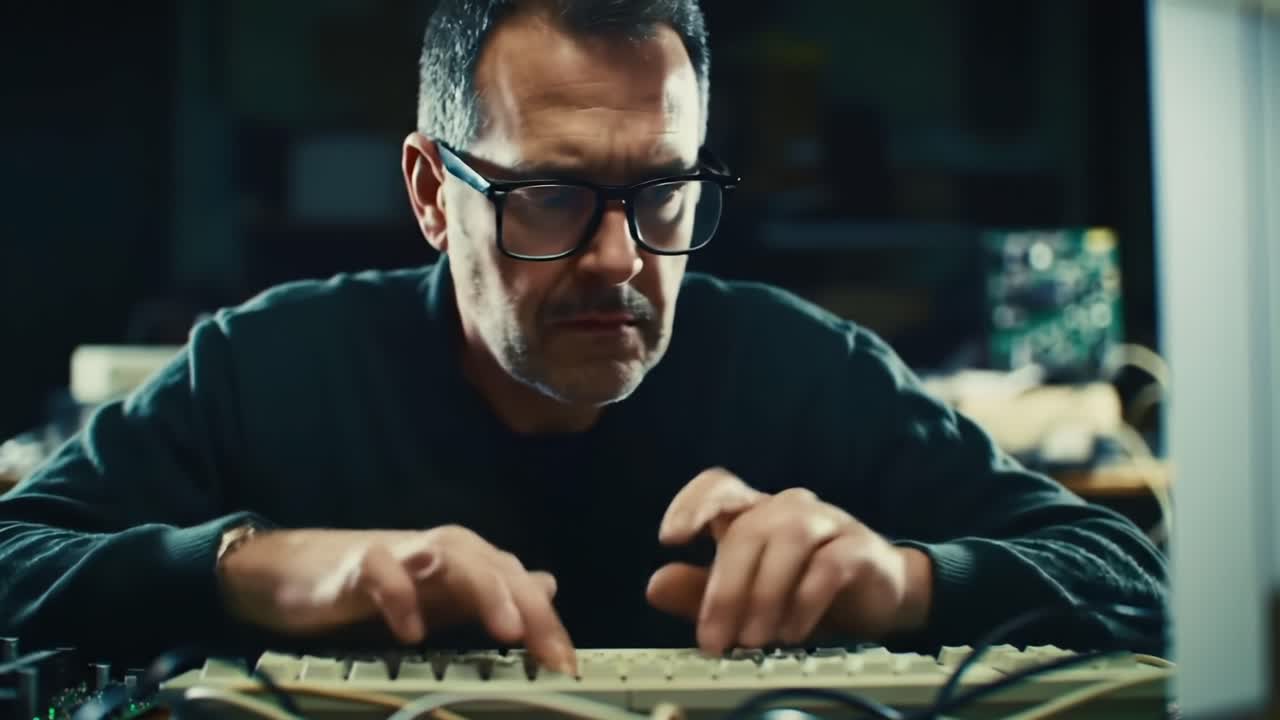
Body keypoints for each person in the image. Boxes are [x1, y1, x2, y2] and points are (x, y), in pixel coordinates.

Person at [0, 0, 1166, 674]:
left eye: (663, 191)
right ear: (427, 190)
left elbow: (1137, 586)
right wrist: (252, 568)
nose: (621, 259)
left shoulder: (808, 373)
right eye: (549, 194)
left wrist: (908, 584)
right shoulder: (266, 370)